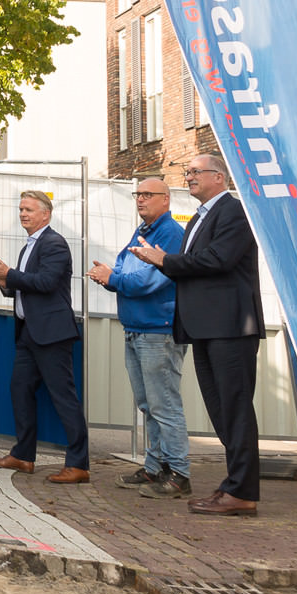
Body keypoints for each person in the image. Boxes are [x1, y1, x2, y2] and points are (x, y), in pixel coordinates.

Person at [128, 153, 263, 517]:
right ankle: (234, 485)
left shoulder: (234, 212)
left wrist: (164, 262)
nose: (188, 177)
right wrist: (161, 262)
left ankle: (243, 491)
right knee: (220, 410)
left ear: (218, 177)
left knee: (234, 409)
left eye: (194, 172)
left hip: (231, 328)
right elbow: (194, 270)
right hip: (205, 328)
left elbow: (218, 261)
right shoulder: (200, 219)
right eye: (186, 172)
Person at [89, 178, 189, 498]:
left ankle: (179, 473)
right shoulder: (143, 231)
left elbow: (147, 282)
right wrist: (112, 277)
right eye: (138, 194)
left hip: (157, 331)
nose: (141, 199)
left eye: (148, 195)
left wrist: (113, 278)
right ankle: (154, 467)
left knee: (164, 404)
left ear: (166, 199)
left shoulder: (170, 233)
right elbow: (124, 270)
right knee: (148, 405)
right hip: (136, 329)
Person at [0, 190, 89, 485]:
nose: (23, 214)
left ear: (46, 214)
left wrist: (10, 274)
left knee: (64, 399)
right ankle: (24, 456)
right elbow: (25, 286)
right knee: (20, 390)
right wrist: (3, 280)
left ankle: (79, 464)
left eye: (29, 209)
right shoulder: (30, 245)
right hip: (29, 332)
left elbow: (46, 282)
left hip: (52, 334)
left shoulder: (54, 243)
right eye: (20, 209)